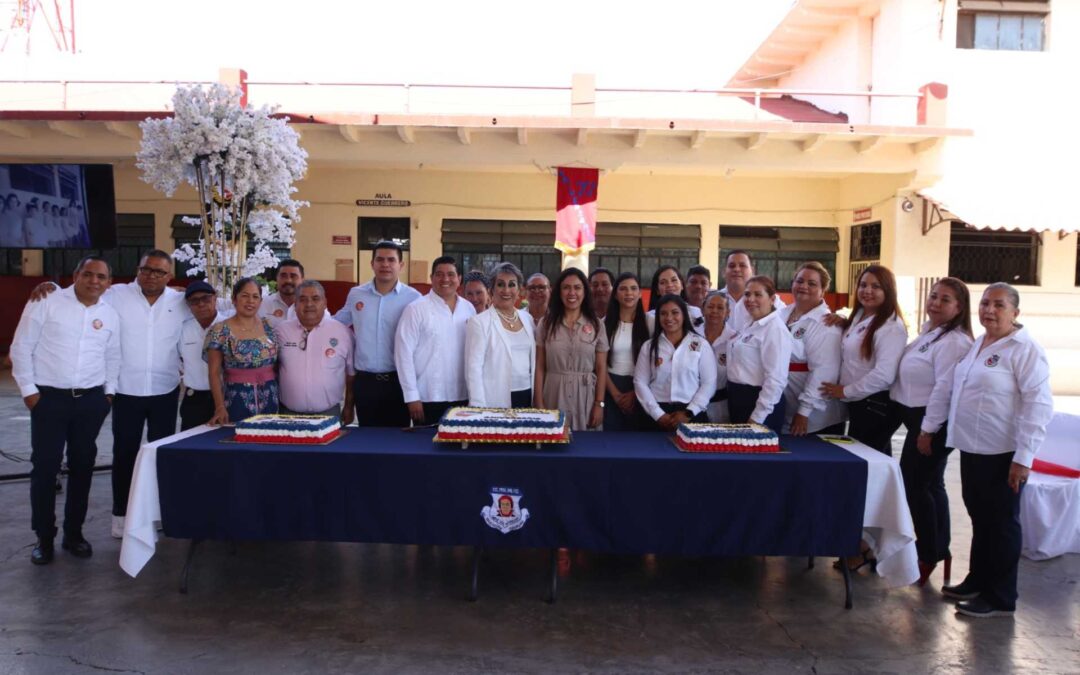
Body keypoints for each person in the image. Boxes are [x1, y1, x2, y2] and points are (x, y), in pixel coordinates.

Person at [942, 283, 1052, 618]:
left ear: (1015, 313)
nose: (989, 310)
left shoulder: (1025, 349)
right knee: (981, 519)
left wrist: (1024, 458)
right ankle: (978, 579)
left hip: (1005, 452)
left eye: (999, 305)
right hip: (974, 448)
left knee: (1002, 523)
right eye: (985, 303)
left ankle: (1001, 595)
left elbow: (1038, 405)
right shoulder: (981, 342)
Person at [11, 256, 120, 564]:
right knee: (45, 468)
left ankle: (74, 534)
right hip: (49, 400)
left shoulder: (110, 314)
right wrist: (30, 393)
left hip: (90, 401)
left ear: (108, 283)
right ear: (76, 275)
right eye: (88, 274)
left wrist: (108, 395)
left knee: (83, 466)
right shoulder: (46, 300)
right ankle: (43, 537)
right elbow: (21, 347)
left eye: (101, 277)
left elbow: (113, 356)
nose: (94, 281)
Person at [888, 277, 974, 587]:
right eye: (934, 296)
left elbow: (944, 389)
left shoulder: (955, 341)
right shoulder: (931, 332)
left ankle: (927, 555)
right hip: (918, 419)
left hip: (932, 421)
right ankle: (938, 550)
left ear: (959, 307)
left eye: (945, 299)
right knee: (930, 485)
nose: (936, 303)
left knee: (915, 486)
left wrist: (927, 430)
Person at [820, 264, 907, 454]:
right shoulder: (860, 317)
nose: (867, 291)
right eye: (863, 285)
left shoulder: (891, 327)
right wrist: (843, 324)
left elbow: (884, 375)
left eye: (876, 287)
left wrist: (845, 391)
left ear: (888, 291)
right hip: (859, 405)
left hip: (875, 406)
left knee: (867, 462)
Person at [334, 241, 421, 427]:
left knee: (398, 440)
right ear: (372, 263)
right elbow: (337, 324)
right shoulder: (356, 294)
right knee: (368, 440)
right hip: (365, 382)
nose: (385, 264)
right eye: (380, 259)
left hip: (398, 382)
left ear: (401, 265)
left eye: (391, 260)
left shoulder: (413, 298)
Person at [395, 256, 475, 425]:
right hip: (427, 397)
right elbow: (403, 355)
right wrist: (412, 396)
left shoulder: (468, 309)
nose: (445, 279)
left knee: (460, 448)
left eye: (451, 274)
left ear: (459, 278)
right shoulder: (416, 309)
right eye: (439, 274)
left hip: (463, 397)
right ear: (431, 278)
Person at [535, 268, 609, 430]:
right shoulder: (546, 324)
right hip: (554, 393)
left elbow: (601, 368)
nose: (571, 292)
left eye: (577, 287)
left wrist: (599, 404)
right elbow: (540, 366)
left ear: (585, 291)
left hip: (585, 398)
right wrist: (539, 402)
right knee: (554, 445)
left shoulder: (597, 325)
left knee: (587, 449)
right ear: (559, 292)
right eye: (566, 287)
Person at [780, 262, 845, 436]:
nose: (804, 286)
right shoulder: (781, 314)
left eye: (812, 283)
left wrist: (804, 411)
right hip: (786, 406)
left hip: (815, 418)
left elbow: (824, 372)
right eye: (799, 281)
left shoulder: (826, 324)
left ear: (823, 290)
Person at [634, 294, 716, 431]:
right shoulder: (649, 346)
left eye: (675, 312)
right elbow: (640, 382)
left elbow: (709, 383)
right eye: (663, 314)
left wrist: (689, 412)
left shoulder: (700, 344)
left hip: (692, 414)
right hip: (657, 415)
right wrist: (658, 414)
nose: (669, 318)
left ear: (684, 315)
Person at [276, 280, 355, 421]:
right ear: (295, 304)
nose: (309, 304)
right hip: (288, 414)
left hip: (329, 414)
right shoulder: (281, 331)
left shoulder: (343, 333)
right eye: (302, 299)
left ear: (324, 303)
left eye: (315, 298)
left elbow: (351, 375)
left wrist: (349, 406)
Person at [207, 278, 280, 425]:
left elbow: (278, 364)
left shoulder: (268, 326)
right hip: (236, 401)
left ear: (260, 301)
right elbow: (214, 373)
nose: (250, 301)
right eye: (245, 296)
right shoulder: (220, 330)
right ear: (234, 299)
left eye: (255, 297)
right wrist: (220, 407)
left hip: (270, 399)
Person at [725, 276, 792, 432]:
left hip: (759, 405)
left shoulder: (775, 330)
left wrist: (757, 417)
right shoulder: (749, 324)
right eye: (747, 294)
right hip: (738, 400)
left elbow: (776, 380)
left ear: (772, 299)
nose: (751, 299)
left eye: (758, 294)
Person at [465, 262, 536, 408]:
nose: (506, 290)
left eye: (512, 284)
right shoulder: (479, 322)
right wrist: (478, 407)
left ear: (519, 291)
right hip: (496, 397)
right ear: (491, 290)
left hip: (527, 395)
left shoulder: (527, 319)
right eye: (500, 284)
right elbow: (473, 369)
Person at [603, 272, 650, 431]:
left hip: (642, 387)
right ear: (615, 295)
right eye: (623, 289)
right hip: (610, 386)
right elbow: (600, 364)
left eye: (633, 288)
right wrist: (615, 394)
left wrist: (635, 392)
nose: (628, 293)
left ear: (639, 294)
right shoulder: (604, 324)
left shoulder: (650, 323)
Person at [177, 281, 225, 430]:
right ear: (188, 305)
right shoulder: (183, 329)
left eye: (206, 298)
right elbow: (177, 359)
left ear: (215, 299)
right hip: (194, 399)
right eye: (194, 301)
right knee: (191, 449)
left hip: (225, 398)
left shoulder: (228, 326)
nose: (201, 304)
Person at [719, 250, 785, 332]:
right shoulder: (714, 299)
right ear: (724, 272)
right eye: (732, 266)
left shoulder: (771, 301)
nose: (736, 269)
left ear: (753, 271)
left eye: (742, 265)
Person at [702, 290, 737, 424]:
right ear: (703, 309)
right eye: (710, 306)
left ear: (728, 312)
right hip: (691, 405)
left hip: (721, 406)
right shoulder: (692, 334)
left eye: (720, 307)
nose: (714, 311)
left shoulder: (735, 339)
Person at [646, 265, 704, 333]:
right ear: (657, 290)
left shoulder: (695, 312)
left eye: (674, 280)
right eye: (663, 282)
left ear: (682, 285)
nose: (669, 285)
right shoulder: (649, 317)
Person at [258, 258, 306, 327]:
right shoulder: (263, 304)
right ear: (276, 278)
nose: (288, 280)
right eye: (283, 276)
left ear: (302, 280)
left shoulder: (312, 306)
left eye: (293, 276)